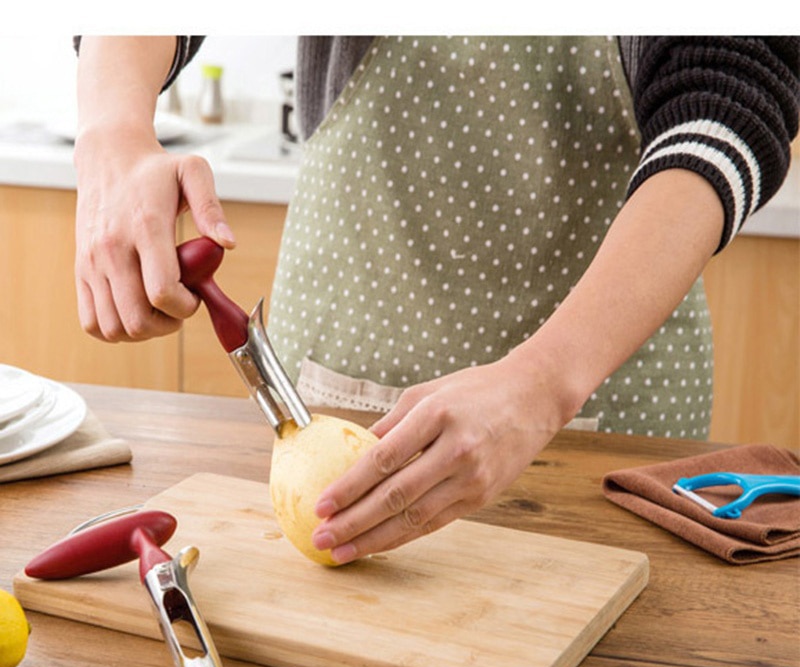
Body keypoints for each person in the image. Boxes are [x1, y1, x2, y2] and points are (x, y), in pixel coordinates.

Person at [71, 35, 799, 564]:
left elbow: (728, 100)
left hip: (602, 403)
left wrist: (544, 383)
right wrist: (112, 137)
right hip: (336, 375)